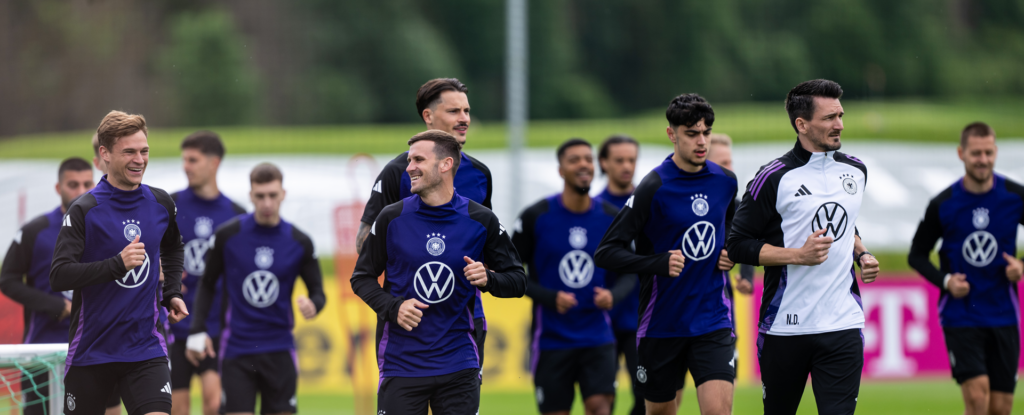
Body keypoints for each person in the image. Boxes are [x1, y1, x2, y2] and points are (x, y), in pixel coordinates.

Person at [726, 79, 880, 415]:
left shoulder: (856, 170)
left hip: (843, 324)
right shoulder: (773, 178)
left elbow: (846, 223)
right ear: (802, 124)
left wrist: (861, 252)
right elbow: (737, 245)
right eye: (828, 118)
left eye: (840, 115)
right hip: (785, 327)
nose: (838, 124)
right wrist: (798, 256)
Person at [352, 130, 526, 414]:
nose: (409, 168)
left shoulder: (480, 220)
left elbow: (518, 280)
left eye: (418, 160)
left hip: (459, 362)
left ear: (445, 164)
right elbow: (362, 278)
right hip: (402, 362)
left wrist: (489, 278)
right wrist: (393, 307)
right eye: (409, 160)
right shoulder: (391, 218)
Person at [595, 94, 737, 415]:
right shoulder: (653, 187)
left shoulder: (725, 182)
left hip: (712, 321)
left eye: (706, 132)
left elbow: (731, 228)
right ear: (672, 134)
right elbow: (606, 253)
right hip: (661, 325)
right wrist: (656, 263)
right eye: (691, 133)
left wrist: (729, 251)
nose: (701, 142)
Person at [50, 110, 188, 415]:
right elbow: (59, 275)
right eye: (129, 152)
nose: (139, 159)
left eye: (144, 151)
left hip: (144, 347)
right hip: (92, 351)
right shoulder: (84, 210)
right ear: (105, 154)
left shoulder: (161, 203)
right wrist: (116, 264)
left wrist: (172, 292)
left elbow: (174, 247)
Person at [356, 78, 494, 376]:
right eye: (454, 111)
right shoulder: (398, 172)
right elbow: (365, 242)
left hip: (464, 322)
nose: (464, 119)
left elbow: (489, 245)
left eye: (467, 111)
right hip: (405, 324)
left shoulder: (481, 175)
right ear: (428, 117)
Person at [187, 163, 324, 415]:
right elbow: (206, 284)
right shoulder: (228, 236)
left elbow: (318, 291)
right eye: (260, 196)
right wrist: (197, 329)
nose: (267, 203)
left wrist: (313, 304)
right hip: (237, 349)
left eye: (273, 195)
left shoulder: (299, 241)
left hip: (280, 348)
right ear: (251, 196)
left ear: (283, 194)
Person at [908, 122, 1023, 415]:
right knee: (977, 399)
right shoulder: (943, 204)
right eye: (975, 153)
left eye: (988, 152)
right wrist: (946, 281)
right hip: (961, 315)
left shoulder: (1015, 196)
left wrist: (1022, 266)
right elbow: (917, 255)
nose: (982, 159)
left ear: (995, 152)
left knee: (1001, 408)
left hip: (1004, 314)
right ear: (961, 153)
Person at [514, 139, 633, 415]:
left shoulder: (611, 218)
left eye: (588, 159)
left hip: (598, 337)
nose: (583, 165)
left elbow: (630, 269)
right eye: (574, 160)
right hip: (552, 339)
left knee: (600, 408)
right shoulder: (536, 216)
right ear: (560, 170)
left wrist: (613, 296)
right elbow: (509, 270)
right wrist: (549, 297)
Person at [0, 158, 94, 415]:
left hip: (93, 347)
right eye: (72, 184)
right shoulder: (36, 231)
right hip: (43, 350)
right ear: (58, 187)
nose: (80, 191)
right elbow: (7, 280)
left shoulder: (106, 229)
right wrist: (56, 305)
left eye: (87, 184)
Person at [168, 131, 246, 415]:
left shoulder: (236, 215)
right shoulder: (169, 207)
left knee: (215, 405)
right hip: (173, 326)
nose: (185, 166)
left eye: (193, 160)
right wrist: (163, 279)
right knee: (178, 409)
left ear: (214, 163)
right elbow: (149, 257)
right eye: (184, 160)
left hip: (217, 326)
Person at [595, 134, 644, 415]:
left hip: (644, 317)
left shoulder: (649, 202)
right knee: (603, 399)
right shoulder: (594, 208)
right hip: (603, 320)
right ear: (604, 163)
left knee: (647, 397)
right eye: (619, 160)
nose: (627, 166)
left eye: (632, 160)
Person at [707, 133, 755, 296]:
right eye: (724, 163)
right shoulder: (687, 205)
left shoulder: (735, 205)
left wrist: (746, 277)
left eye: (730, 163)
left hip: (722, 294)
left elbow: (747, 239)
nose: (731, 170)